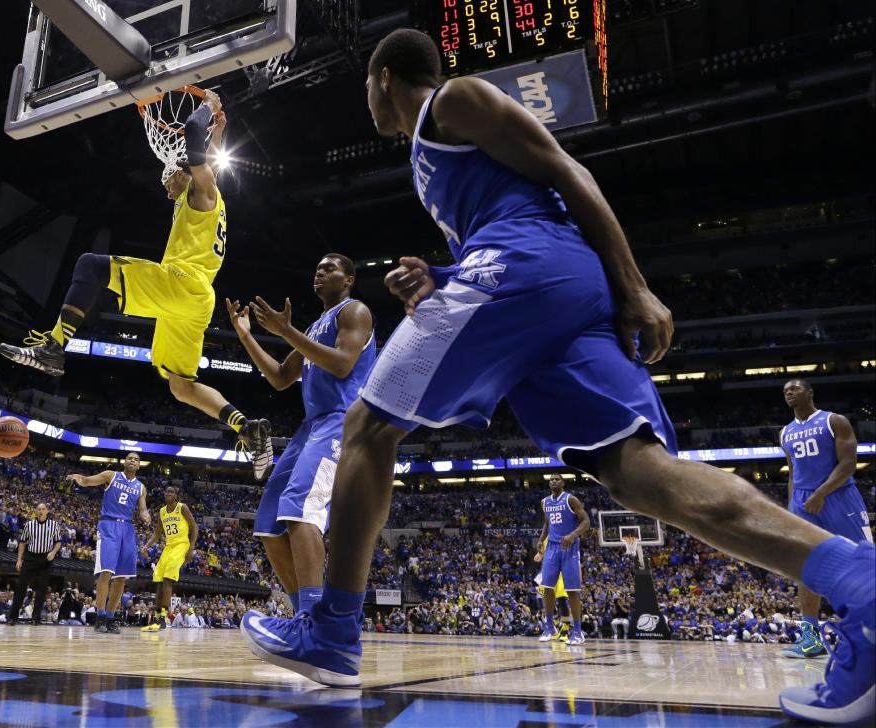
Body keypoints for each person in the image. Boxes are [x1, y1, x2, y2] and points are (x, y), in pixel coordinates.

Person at [239, 29, 875, 724]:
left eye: (365, 87)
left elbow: (569, 174)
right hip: (538, 287)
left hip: (532, 270)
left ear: (385, 77)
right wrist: (442, 275)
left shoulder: (453, 100)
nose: (366, 101)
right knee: (640, 476)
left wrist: (635, 286)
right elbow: (516, 214)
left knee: (366, 424)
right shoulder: (438, 154)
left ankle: (331, 632)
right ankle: (860, 582)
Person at [0, 89, 271, 479]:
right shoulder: (207, 194)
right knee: (180, 385)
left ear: (183, 169)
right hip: (195, 301)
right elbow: (208, 159)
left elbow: (193, 134)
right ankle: (248, 427)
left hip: (183, 284)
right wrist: (220, 134)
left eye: (168, 178)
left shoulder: (201, 189)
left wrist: (209, 107)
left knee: (90, 266)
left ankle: (54, 346)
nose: (165, 186)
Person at [227, 254, 375, 616]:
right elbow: (280, 377)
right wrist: (246, 335)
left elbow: (342, 364)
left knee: (300, 510)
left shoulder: (355, 312)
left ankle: (320, 622)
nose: (319, 272)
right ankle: (304, 617)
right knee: (268, 524)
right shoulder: (313, 329)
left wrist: (285, 332)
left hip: (342, 421)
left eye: (329, 268)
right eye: (317, 267)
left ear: (349, 279)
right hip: (310, 427)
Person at [779, 379, 873, 660]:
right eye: (785, 392)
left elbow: (848, 464)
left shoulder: (834, 421)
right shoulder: (785, 432)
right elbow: (794, 473)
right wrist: (790, 508)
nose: (789, 394)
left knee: (864, 563)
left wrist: (822, 492)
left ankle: (868, 632)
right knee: (805, 568)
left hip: (839, 497)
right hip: (803, 502)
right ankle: (811, 639)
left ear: (810, 392)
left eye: (794, 389)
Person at [66, 451, 150, 634]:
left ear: (139, 465)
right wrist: (80, 478)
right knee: (106, 573)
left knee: (121, 578)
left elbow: (142, 509)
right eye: (130, 458)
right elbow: (89, 481)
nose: (132, 460)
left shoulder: (141, 487)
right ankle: (100, 616)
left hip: (127, 529)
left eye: (136, 459)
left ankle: (111, 618)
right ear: (125, 462)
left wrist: (145, 515)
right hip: (109, 525)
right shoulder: (111, 475)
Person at [534, 475, 590, 644]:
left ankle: (578, 632)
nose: (554, 481)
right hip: (551, 547)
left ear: (563, 483)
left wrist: (572, 535)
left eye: (557, 479)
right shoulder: (545, 502)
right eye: (551, 479)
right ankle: (549, 627)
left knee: (572, 591)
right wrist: (540, 539)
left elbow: (586, 521)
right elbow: (547, 523)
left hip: (569, 547)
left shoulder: (571, 500)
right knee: (547, 587)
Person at [140, 486, 197, 632]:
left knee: (167, 580)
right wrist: (146, 546)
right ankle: (158, 619)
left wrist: (191, 549)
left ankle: (163, 619)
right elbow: (157, 533)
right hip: (169, 546)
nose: (169, 493)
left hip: (181, 545)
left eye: (172, 492)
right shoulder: (162, 511)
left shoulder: (182, 507)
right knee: (158, 581)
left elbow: (194, 527)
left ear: (176, 495)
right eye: (167, 491)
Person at [9, 502, 61, 626]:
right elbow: (22, 543)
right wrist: (19, 560)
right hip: (30, 557)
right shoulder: (29, 524)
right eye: (39, 509)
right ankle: (13, 617)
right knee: (20, 587)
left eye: (43, 509)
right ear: (35, 511)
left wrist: (53, 552)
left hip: (45, 559)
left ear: (47, 511)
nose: (41, 511)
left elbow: (58, 542)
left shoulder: (54, 525)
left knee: (41, 589)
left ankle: (36, 618)